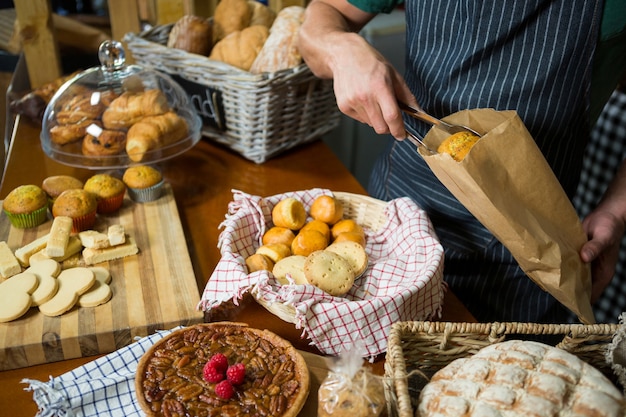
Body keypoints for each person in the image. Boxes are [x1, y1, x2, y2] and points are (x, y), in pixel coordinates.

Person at [298, 0, 626, 323]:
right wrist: (340, 49)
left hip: (533, 261)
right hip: (395, 228)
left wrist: (616, 209)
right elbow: (322, 18)